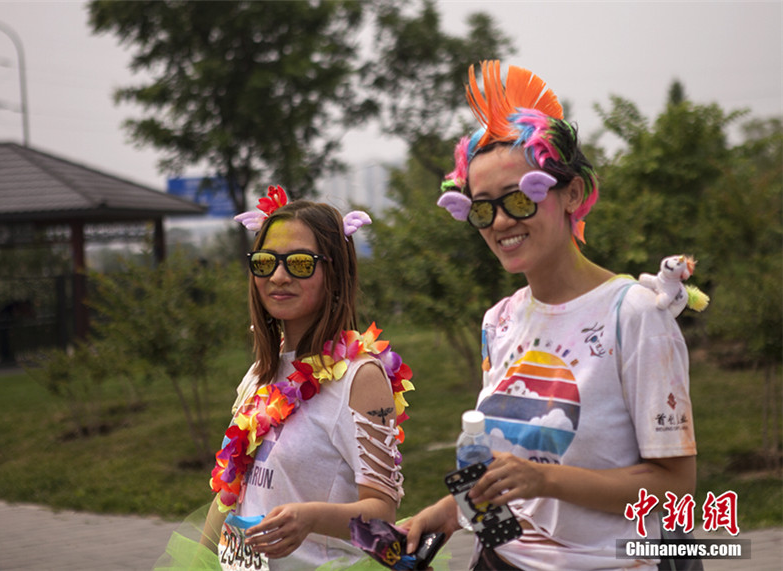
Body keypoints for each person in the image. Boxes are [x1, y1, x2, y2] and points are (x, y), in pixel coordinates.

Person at [403, 60, 697, 570]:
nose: (499, 221)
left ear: (574, 194)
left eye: (519, 198)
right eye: (482, 207)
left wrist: (546, 481)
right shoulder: (499, 321)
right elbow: (513, 474)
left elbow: (675, 487)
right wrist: (448, 511)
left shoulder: (634, 315)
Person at [195, 185, 414, 570]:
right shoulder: (261, 371)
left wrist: (308, 518)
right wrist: (200, 561)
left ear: (335, 272)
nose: (278, 276)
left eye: (299, 263)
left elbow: (382, 514)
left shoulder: (360, 377)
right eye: (265, 262)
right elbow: (230, 491)